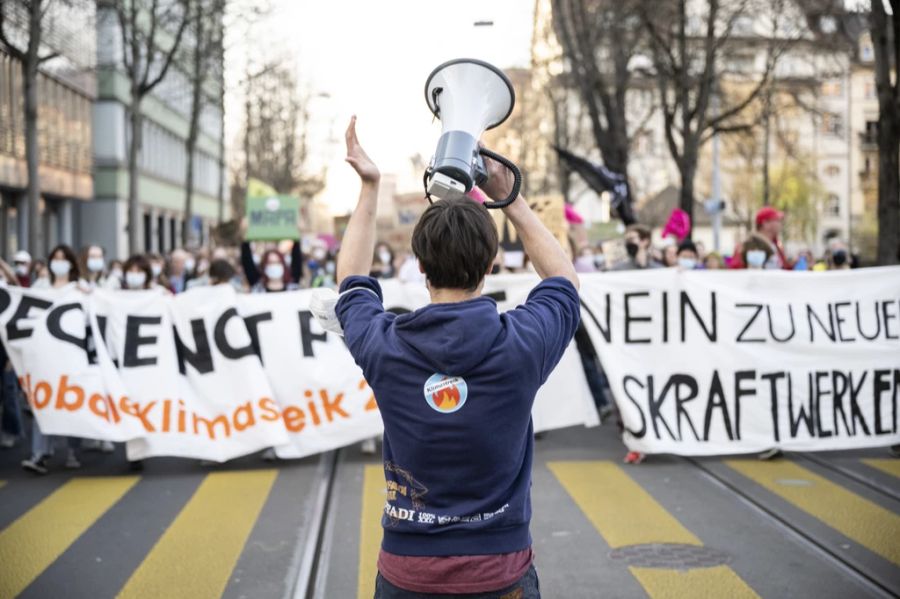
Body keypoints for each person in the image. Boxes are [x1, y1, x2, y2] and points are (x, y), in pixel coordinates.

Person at [335, 116, 577, 598]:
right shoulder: (522, 342)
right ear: (491, 263)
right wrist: (512, 200)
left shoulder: (385, 345)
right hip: (500, 573)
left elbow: (351, 281)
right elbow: (564, 283)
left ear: (420, 266)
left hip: (408, 573)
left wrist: (370, 186)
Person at [22, 245, 82, 474]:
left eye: (63, 259)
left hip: (72, 355)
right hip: (46, 356)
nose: (59, 263)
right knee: (43, 402)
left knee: (73, 402)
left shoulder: (79, 289)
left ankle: (73, 450)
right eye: (55, 259)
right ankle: (40, 454)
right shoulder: (40, 288)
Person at [240, 217, 304, 288]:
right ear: (264, 266)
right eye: (270, 262)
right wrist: (245, 236)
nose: (274, 266)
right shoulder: (258, 286)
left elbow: (297, 259)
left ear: (283, 264)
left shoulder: (292, 286)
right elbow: (247, 262)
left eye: (277, 262)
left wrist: (297, 234)